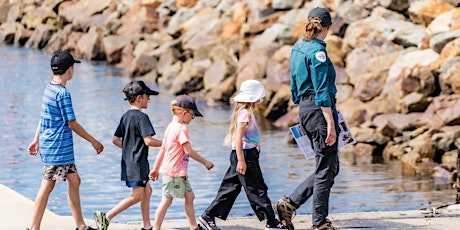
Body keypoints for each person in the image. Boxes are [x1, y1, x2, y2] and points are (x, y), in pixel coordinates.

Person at [275, 7, 340, 230]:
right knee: (325, 169)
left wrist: (304, 107)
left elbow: (294, 85)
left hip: (304, 109)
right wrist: (330, 122)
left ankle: (290, 204)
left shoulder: (297, 47)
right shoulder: (318, 53)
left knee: (329, 166)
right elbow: (322, 91)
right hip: (320, 112)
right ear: (328, 27)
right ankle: (319, 222)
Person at [27, 50, 104, 230]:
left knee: (75, 181)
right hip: (58, 148)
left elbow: (44, 117)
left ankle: (80, 226)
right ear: (70, 70)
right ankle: (33, 227)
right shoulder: (63, 94)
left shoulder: (48, 89)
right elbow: (72, 123)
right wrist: (93, 141)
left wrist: (35, 139)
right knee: (47, 186)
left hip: (56, 147)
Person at [199, 79, 285, 230]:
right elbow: (238, 139)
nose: (261, 99)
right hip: (245, 156)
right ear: (253, 98)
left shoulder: (242, 113)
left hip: (241, 155)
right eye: (259, 97)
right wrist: (241, 160)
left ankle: (207, 216)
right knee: (257, 188)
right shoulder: (245, 114)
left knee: (230, 188)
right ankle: (272, 222)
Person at [94, 81, 162, 230]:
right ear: (139, 98)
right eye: (147, 96)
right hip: (137, 164)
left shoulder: (125, 116)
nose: (149, 99)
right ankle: (106, 217)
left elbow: (115, 140)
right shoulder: (142, 118)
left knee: (147, 191)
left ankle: (147, 225)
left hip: (130, 162)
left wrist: (128, 149)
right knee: (137, 196)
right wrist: (167, 143)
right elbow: (148, 141)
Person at [149, 94, 214, 230]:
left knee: (190, 197)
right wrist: (205, 162)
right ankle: (156, 228)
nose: (192, 118)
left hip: (178, 172)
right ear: (184, 113)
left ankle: (194, 227)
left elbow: (163, 149)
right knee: (167, 200)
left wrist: (155, 168)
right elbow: (188, 151)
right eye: (192, 115)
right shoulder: (181, 129)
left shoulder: (170, 127)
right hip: (174, 173)